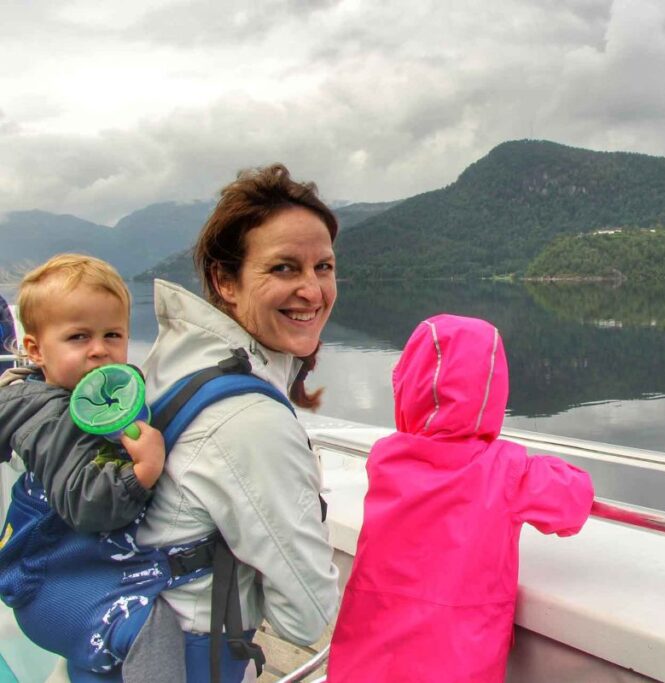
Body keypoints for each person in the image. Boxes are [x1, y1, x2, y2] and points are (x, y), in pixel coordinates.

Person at [132, 163, 341, 681]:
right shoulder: (250, 421)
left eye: (324, 267)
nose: (313, 292)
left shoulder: (173, 363)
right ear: (225, 280)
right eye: (285, 269)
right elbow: (306, 617)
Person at [326, 314, 595, 682]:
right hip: (457, 666)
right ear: (492, 389)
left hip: (368, 661)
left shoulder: (386, 459)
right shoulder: (508, 470)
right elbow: (574, 499)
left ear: (406, 384)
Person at [0, 254, 165, 531]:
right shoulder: (49, 418)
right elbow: (87, 506)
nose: (100, 349)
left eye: (112, 335)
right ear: (36, 350)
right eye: (79, 337)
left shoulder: (84, 395)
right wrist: (144, 470)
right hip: (55, 566)